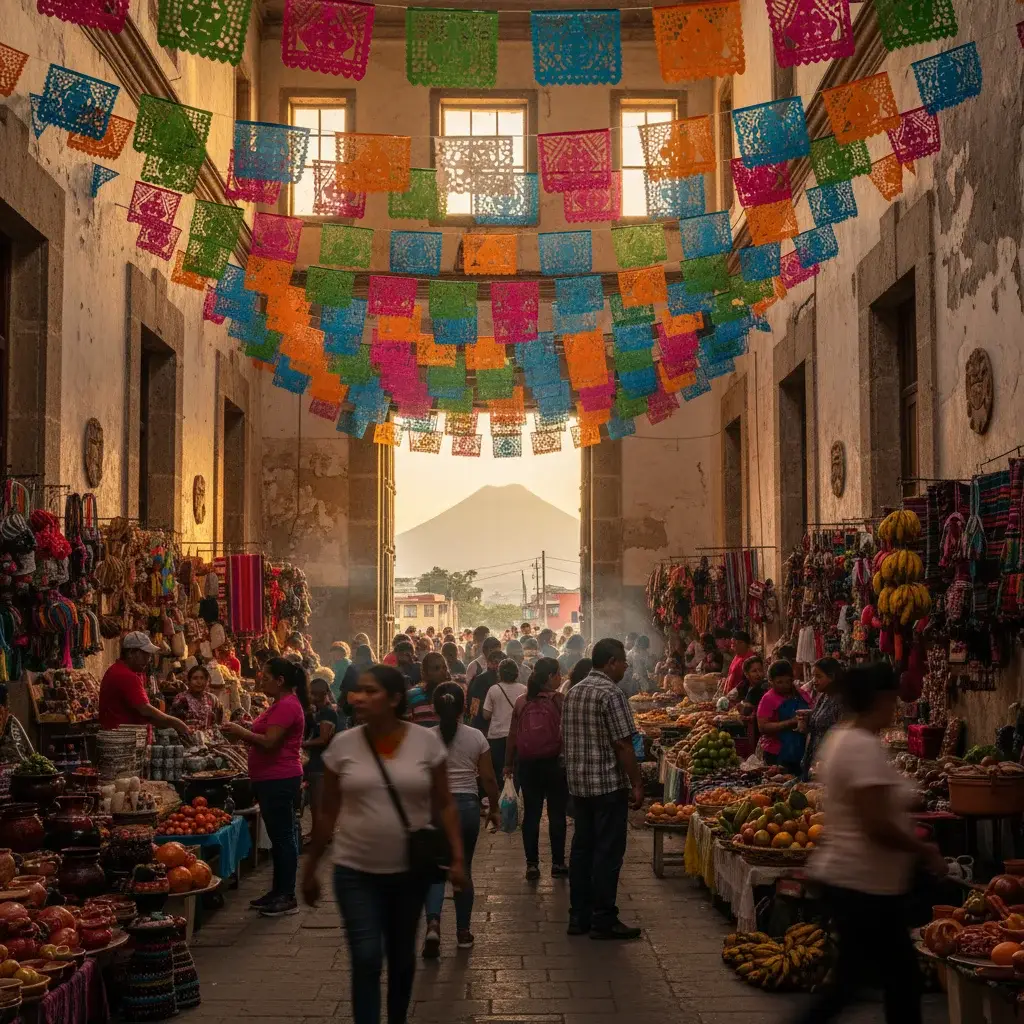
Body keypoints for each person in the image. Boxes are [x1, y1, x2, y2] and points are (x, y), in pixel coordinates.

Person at [301, 665, 466, 1024]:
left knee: (402, 958)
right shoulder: (343, 746)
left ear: (394, 699)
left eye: (370, 691)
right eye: (357, 690)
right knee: (366, 957)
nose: (358, 697)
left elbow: (444, 803)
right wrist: (310, 867)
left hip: (409, 873)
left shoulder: (425, 743)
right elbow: (328, 812)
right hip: (354, 870)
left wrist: (457, 857)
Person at [790, 662, 946, 1024]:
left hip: (857, 879)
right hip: (862, 883)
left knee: (868, 982)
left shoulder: (844, 737)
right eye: (892, 700)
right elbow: (876, 824)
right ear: (880, 699)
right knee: (889, 982)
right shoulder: (861, 747)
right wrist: (924, 850)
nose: (894, 709)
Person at [562, 639, 643, 940]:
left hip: (580, 787)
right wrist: (636, 783)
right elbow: (623, 744)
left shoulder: (573, 692)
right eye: (623, 661)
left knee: (582, 850)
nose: (625, 666)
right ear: (610, 662)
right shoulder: (612, 693)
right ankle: (603, 917)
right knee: (608, 852)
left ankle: (578, 916)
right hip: (607, 787)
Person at [222, 657, 307, 916]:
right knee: (280, 837)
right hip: (271, 778)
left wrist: (241, 732)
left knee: (283, 839)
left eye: (266, 677)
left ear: (280, 681)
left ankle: (287, 896)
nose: (261, 680)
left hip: (279, 778)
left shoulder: (287, 706)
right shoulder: (279, 704)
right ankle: (278, 891)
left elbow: (270, 743)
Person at [422, 683, 500, 957]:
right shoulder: (476, 737)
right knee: (462, 868)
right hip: (466, 809)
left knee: (434, 870)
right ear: (462, 707)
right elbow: (488, 778)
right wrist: (495, 808)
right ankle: (463, 931)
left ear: (434, 707)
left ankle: (433, 923)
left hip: (434, 809)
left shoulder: (424, 738)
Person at [505, 657, 568, 881]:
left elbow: (513, 734)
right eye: (558, 673)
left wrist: (508, 764)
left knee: (531, 815)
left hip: (528, 764)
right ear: (550, 677)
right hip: (554, 764)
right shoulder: (559, 700)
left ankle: (532, 864)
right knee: (556, 814)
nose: (561, 677)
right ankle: (558, 863)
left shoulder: (522, 701)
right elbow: (567, 734)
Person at [99, 632, 192, 738]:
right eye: (145, 654)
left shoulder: (116, 669)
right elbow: (145, 709)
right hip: (121, 739)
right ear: (130, 653)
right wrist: (176, 723)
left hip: (117, 736)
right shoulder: (126, 675)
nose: (148, 659)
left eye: (149, 655)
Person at [756, 660, 809, 776]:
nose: (785, 685)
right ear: (771, 682)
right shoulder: (768, 699)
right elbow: (763, 727)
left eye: (788, 681)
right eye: (779, 682)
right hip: (777, 753)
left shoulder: (803, 695)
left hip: (800, 751)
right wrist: (791, 722)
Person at [303, 674, 339, 841]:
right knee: (315, 803)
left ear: (322, 694)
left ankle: (322, 836)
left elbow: (323, 739)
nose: (311, 697)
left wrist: (301, 744)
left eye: (314, 694)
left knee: (318, 803)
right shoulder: (318, 712)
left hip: (322, 764)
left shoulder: (327, 713)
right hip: (317, 763)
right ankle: (316, 832)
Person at [481, 659, 527, 782]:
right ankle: (515, 797)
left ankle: (502, 797)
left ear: (499, 673)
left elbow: (486, 714)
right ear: (516, 673)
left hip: (497, 737)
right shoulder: (524, 689)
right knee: (516, 773)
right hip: (518, 736)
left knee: (499, 773)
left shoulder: (494, 689)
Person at [801, 657, 845, 780]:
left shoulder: (841, 701)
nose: (814, 681)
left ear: (832, 677)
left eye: (818, 677)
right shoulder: (823, 696)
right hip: (815, 761)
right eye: (813, 676)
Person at [169, 665, 218, 732]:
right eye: (195, 678)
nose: (199, 682)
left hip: (209, 738)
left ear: (206, 681)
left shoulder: (212, 699)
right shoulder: (181, 699)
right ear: (189, 681)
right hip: (187, 738)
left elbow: (217, 722)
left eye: (202, 678)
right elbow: (175, 724)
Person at [466, 645, 504, 730]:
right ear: (488, 663)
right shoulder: (480, 679)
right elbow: (474, 704)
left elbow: (473, 707)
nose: (497, 666)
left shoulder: (479, 678)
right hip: (487, 724)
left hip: (486, 724)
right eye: (495, 663)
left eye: (500, 663)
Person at [406, 651, 448, 727]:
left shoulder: (454, 693)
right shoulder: (412, 696)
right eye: (436, 668)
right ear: (424, 673)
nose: (442, 671)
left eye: (444, 667)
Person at [339, 644, 376, 727]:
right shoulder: (376, 668)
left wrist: (341, 703)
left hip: (355, 705)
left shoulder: (352, 668)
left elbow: (345, 688)